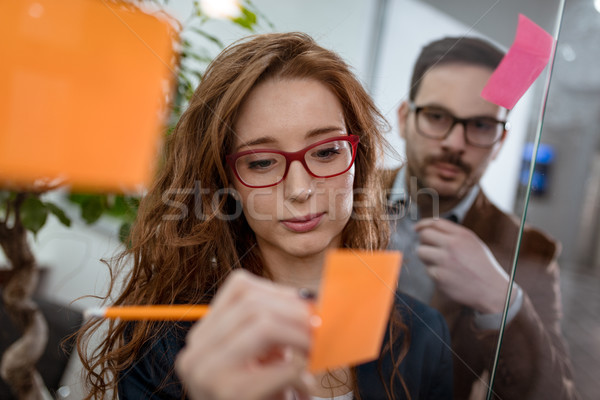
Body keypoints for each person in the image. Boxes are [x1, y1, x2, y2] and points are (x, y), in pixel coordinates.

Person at [76, 32, 453, 400]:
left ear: (360, 158)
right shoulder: (163, 340)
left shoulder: (423, 336)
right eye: (261, 162)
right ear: (225, 182)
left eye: (325, 152)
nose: (299, 189)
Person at [385, 36, 579, 400]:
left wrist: (502, 303)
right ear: (404, 118)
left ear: (501, 142)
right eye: (437, 116)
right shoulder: (344, 199)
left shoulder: (531, 251)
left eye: (480, 126)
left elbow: (557, 393)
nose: (455, 143)